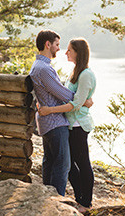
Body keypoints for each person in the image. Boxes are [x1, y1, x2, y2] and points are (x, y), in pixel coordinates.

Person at [29, 30, 91, 197]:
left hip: (48, 121)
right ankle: (56, 200)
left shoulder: (42, 66)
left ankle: (47, 195)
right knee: (62, 164)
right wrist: (82, 100)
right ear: (47, 45)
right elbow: (62, 94)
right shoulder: (43, 68)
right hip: (55, 122)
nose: (58, 49)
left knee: (50, 161)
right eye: (56, 44)